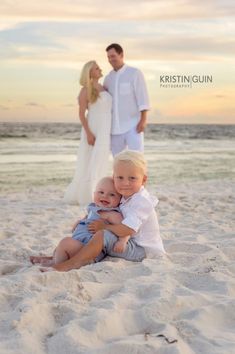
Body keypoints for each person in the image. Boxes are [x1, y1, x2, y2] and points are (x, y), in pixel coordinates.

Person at [40, 150, 165, 272]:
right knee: (87, 236)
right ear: (113, 177)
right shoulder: (125, 195)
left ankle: (72, 263)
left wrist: (104, 227)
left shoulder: (141, 201)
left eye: (132, 178)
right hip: (126, 242)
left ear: (143, 180)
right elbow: (103, 210)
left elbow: (128, 230)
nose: (125, 183)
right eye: (120, 177)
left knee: (102, 234)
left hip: (142, 250)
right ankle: (58, 257)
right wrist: (84, 220)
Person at [30, 177, 130, 267]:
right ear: (94, 193)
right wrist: (80, 222)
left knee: (65, 243)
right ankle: (53, 259)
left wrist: (122, 241)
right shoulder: (94, 208)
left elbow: (124, 229)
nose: (105, 196)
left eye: (112, 194)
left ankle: (57, 264)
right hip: (80, 242)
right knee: (60, 248)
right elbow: (88, 217)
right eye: (101, 192)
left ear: (120, 199)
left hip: (90, 250)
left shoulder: (112, 213)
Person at [64, 61, 112, 206]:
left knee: (101, 159)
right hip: (93, 129)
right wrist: (89, 133)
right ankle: (87, 195)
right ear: (89, 72)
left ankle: (98, 192)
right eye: (97, 68)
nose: (100, 69)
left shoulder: (104, 87)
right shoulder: (85, 90)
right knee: (91, 160)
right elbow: (81, 114)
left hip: (105, 129)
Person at [104, 43, 150, 156]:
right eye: (108, 57)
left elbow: (143, 97)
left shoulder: (134, 73)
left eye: (113, 56)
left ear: (121, 55)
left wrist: (143, 120)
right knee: (117, 161)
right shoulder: (108, 78)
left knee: (137, 159)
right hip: (114, 129)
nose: (110, 59)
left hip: (133, 126)